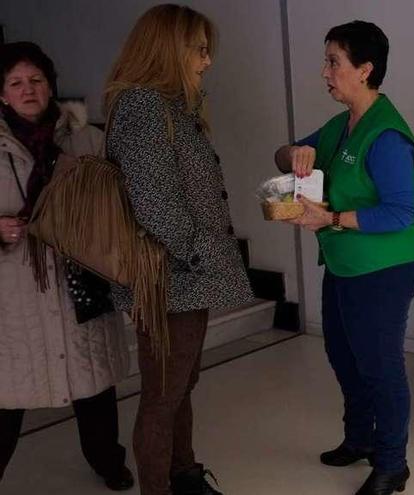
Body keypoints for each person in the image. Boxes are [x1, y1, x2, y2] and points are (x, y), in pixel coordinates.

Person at [104, 5, 253, 494]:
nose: (207, 62)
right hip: (170, 277)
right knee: (163, 395)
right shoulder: (143, 105)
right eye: (200, 50)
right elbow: (153, 200)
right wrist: (201, 254)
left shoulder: (167, 104)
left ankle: (184, 472)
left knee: (180, 384)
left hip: (185, 274)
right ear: (169, 48)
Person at [273, 20, 414, 495]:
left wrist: (332, 218)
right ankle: (360, 438)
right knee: (343, 353)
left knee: (380, 364)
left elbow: (401, 212)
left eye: (333, 62)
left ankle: (393, 463)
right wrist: (295, 151)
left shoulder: (387, 136)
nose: (325, 72)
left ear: (365, 70)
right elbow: (285, 155)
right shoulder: (341, 125)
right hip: (343, 262)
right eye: (327, 61)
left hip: (384, 267)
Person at [0, 42, 133, 491]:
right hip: (15, 294)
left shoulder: (85, 137)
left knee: (93, 380)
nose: (28, 89)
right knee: (7, 394)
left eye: (36, 80)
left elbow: (117, 199)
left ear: (50, 85)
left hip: (80, 281)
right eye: (15, 83)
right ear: (1, 94)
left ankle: (107, 461)